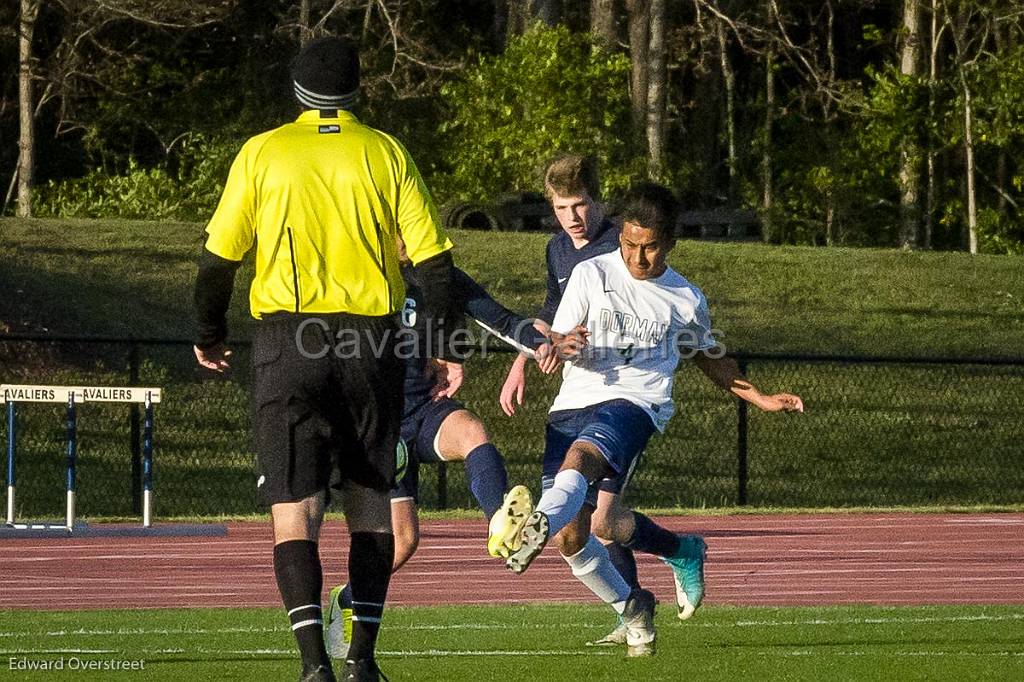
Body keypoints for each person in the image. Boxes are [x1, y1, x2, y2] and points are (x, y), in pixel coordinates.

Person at [193, 36, 461, 682]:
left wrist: (208, 331)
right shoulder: (385, 151)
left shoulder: (263, 152)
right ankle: (363, 660)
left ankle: (314, 665)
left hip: (289, 341)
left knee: (296, 508)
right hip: (370, 342)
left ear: (297, 93)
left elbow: (216, 262)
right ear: (357, 90)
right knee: (370, 504)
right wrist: (441, 347)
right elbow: (436, 267)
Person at [503, 182, 804, 657]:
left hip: (637, 404)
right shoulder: (590, 273)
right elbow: (560, 338)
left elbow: (709, 358)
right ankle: (639, 599)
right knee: (581, 533)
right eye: (628, 243)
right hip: (573, 402)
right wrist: (562, 348)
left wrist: (761, 397)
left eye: (649, 247)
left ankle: (534, 523)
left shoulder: (684, 298)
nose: (637, 258)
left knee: (582, 459)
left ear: (670, 244)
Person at [498, 155, 701, 646]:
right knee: (590, 528)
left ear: (599, 203)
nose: (573, 217)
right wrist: (526, 359)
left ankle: (540, 521)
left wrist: (749, 391)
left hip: (629, 398)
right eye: (561, 207)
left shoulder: (626, 242)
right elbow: (554, 315)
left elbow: (686, 328)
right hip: (578, 392)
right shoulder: (559, 252)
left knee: (593, 504)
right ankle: (640, 598)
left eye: (581, 205)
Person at [323, 238, 553, 658]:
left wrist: (536, 344)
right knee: (403, 541)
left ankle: (501, 523)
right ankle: (347, 598)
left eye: (416, 224)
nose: (409, 236)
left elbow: (499, 318)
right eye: (400, 226)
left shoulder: (441, 280)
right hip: (378, 426)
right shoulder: (359, 274)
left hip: (425, 410)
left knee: (472, 432)